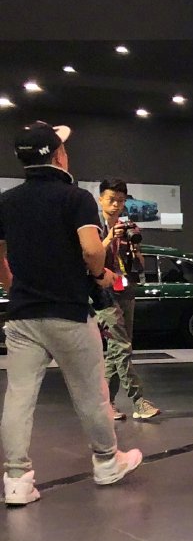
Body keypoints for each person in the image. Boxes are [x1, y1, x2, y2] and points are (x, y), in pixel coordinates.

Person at [0, 122, 142, 505]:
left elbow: (0, 258)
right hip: (69, 312)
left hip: (22, 315)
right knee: (91, 393)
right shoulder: (75, 198)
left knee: (18, 396)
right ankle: (107, 462)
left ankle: (16, 479)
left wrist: (14, 287)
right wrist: (99, 275)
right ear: (58, 155)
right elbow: (93, 250)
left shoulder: (7, 202)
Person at [94, 179, 160, 420]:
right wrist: (110, 238)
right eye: (112, 200)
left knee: (117, 349)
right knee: (121, 346)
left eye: (121, 201)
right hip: (102, 294)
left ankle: (106, 404)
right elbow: (90, 257)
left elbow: (139, 265)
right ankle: (139, 401)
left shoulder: (129, 227)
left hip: (126, 291)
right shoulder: (93, 228)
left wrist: (134, 250)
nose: (116, 205)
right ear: (101, 199)